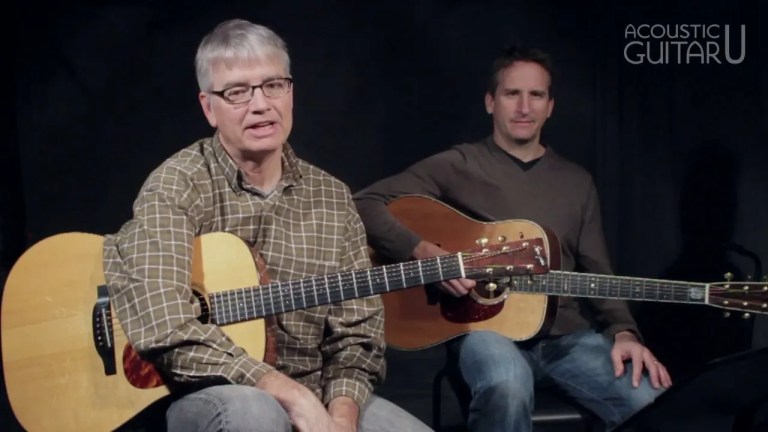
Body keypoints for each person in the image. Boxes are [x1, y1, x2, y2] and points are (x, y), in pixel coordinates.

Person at [103, 19, 432, 432]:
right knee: (255, 413)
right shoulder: (176, 184)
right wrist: (290, 396)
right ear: (208, 107)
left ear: (290, 93)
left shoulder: (332, 197)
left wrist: (341, 417)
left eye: (273, 85)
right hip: (204, 391)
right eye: (237, 92)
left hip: (318, 389)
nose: (260, 104)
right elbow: (163, 322)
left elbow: (358, 337)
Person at [353, 46, 672, 431]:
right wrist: (424, 253)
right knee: (506, 386)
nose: (524, 107)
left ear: (550, 106)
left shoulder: (577, 182)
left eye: (536, 95)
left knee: (651, 401)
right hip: (486, 333)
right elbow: (365, 202)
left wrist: (624, 333)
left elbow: (598, 273)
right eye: (511, 94)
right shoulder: (458, 164)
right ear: (491, 102)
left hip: (567, 339)